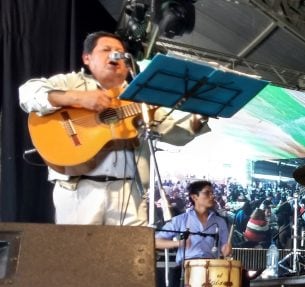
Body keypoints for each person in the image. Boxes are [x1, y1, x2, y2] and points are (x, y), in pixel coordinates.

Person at [18, 31, 208, 225]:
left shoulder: (138, 97)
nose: (114, 54)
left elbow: (173, 132)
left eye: (119, 51)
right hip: (79, 190)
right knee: (78, 253)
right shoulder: (71, 82)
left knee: (132, 253)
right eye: (106, 50)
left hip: (129, 192)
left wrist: (199, 116)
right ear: (87, 58)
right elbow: (27, 93)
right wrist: (76, 97)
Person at [155, 180, 261, 287]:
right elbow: (155, 241)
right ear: (194, 197)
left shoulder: (220, 222)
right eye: (207, 193)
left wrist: (226, 249)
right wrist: (178, 244)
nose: (212, 196)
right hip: (188, 265)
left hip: (212, 266)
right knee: (174, 274)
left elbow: (225, 248)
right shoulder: (181, 220)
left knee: (241, 273)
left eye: (212, 193)